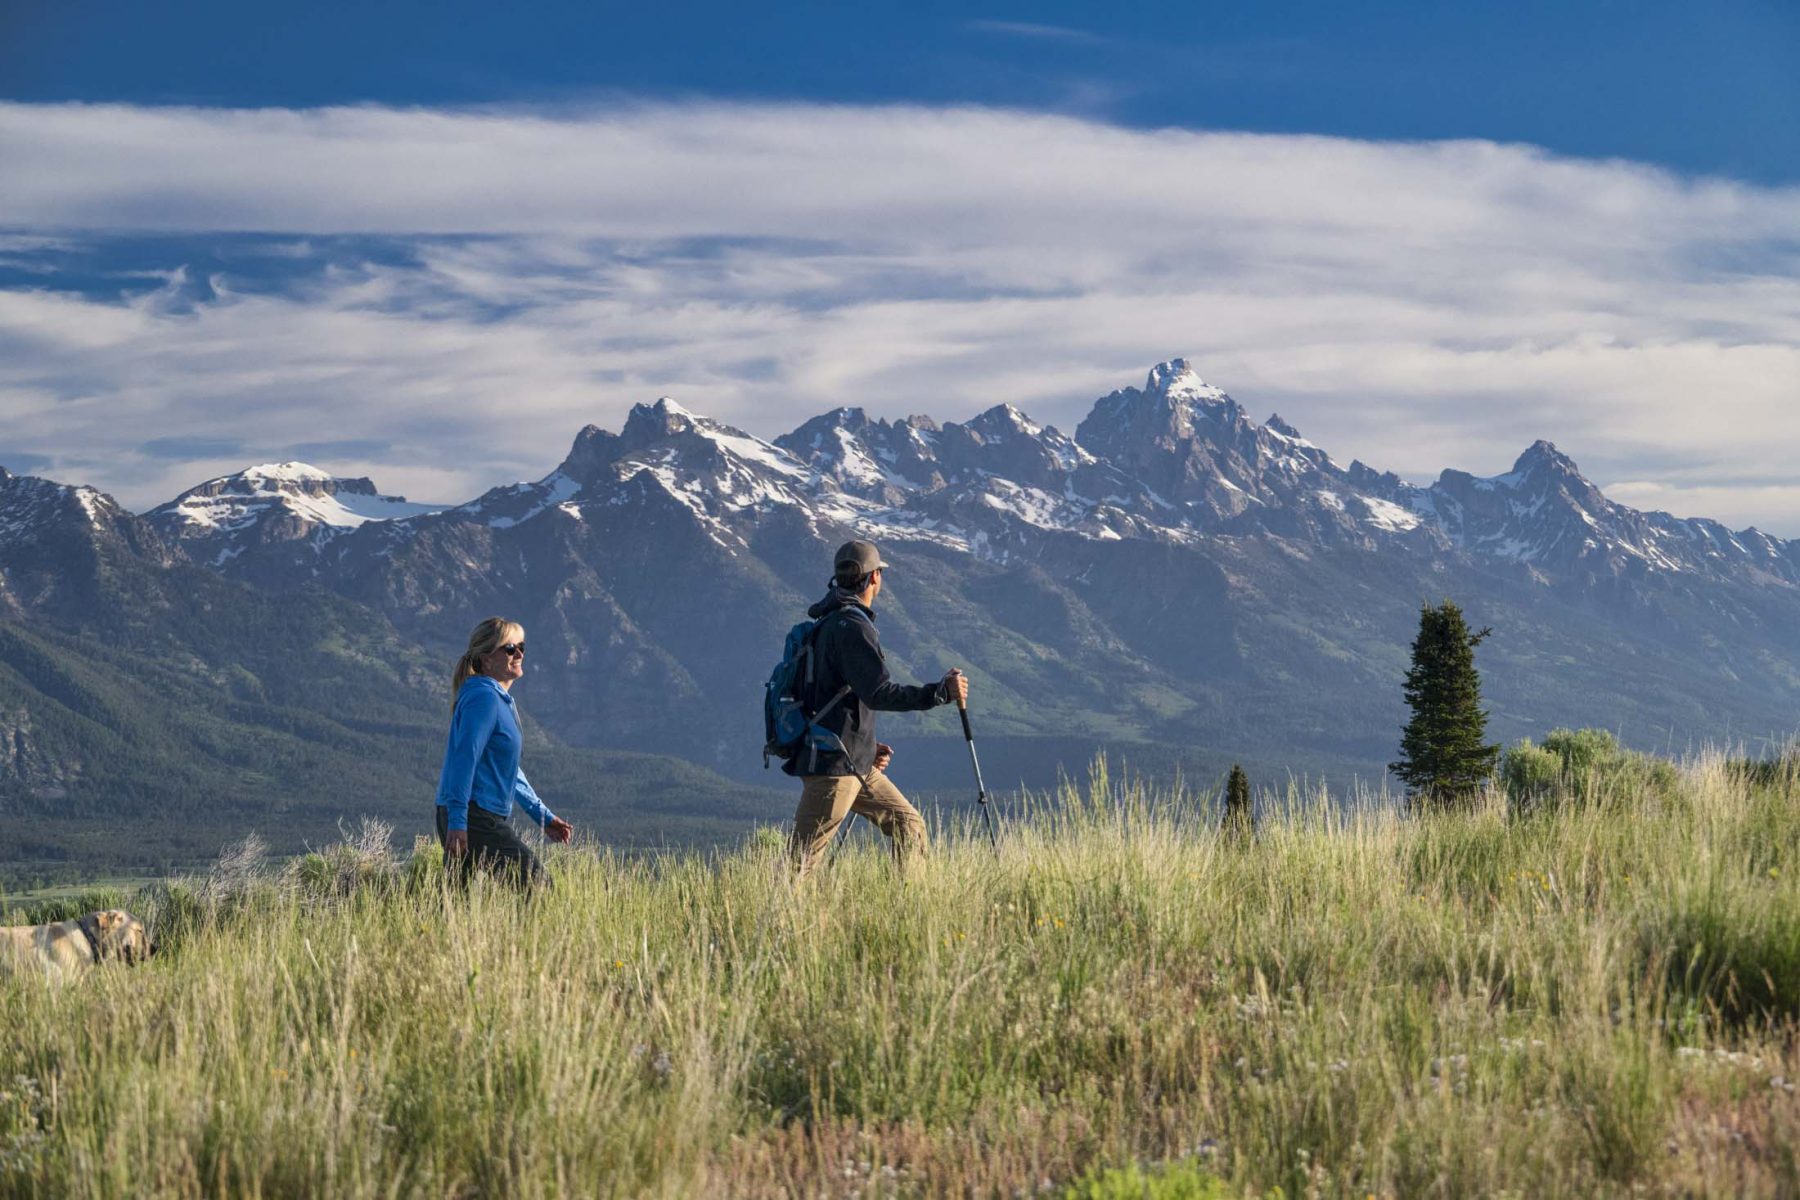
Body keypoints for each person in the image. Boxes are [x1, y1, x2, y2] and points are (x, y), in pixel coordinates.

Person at [785, 539, 968, 877]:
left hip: (849, 759)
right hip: (834, 767)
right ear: (873, 578)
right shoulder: (852, 626)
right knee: (799, 865)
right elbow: (879, 694)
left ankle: (910, 905)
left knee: (908, 825)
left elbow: (831, 697)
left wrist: (866, 746)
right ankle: (777, 912)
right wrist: (939, 693)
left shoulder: (829, 623)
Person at [434, 616, 573, 889]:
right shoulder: (484, 698)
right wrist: (458, 820)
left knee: (458, 903)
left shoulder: (497, 699)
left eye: (522, 647)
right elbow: (464, 759)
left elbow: (507, 769)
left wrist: (542, 816)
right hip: (473, 816)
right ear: (486, 659)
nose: (519, 654)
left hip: (471, 814)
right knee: (537, 884)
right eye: (509, 649)